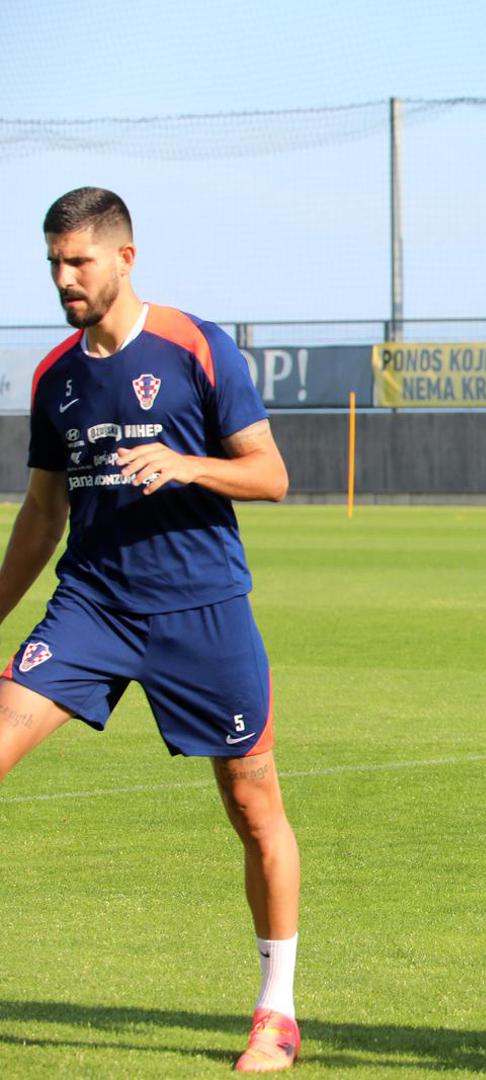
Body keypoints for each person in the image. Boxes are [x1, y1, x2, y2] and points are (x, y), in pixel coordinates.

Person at [0, 188, 301, 1073]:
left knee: (253, 804)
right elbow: (41, 514)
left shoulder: (197, 346)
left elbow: (273, 476)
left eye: (79, 262)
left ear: (125, 258)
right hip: (90, 604)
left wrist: (186, 464)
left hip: (200, 609)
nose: (63, 279)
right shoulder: (55, 375)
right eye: (53, 262)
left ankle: (275, 1014)